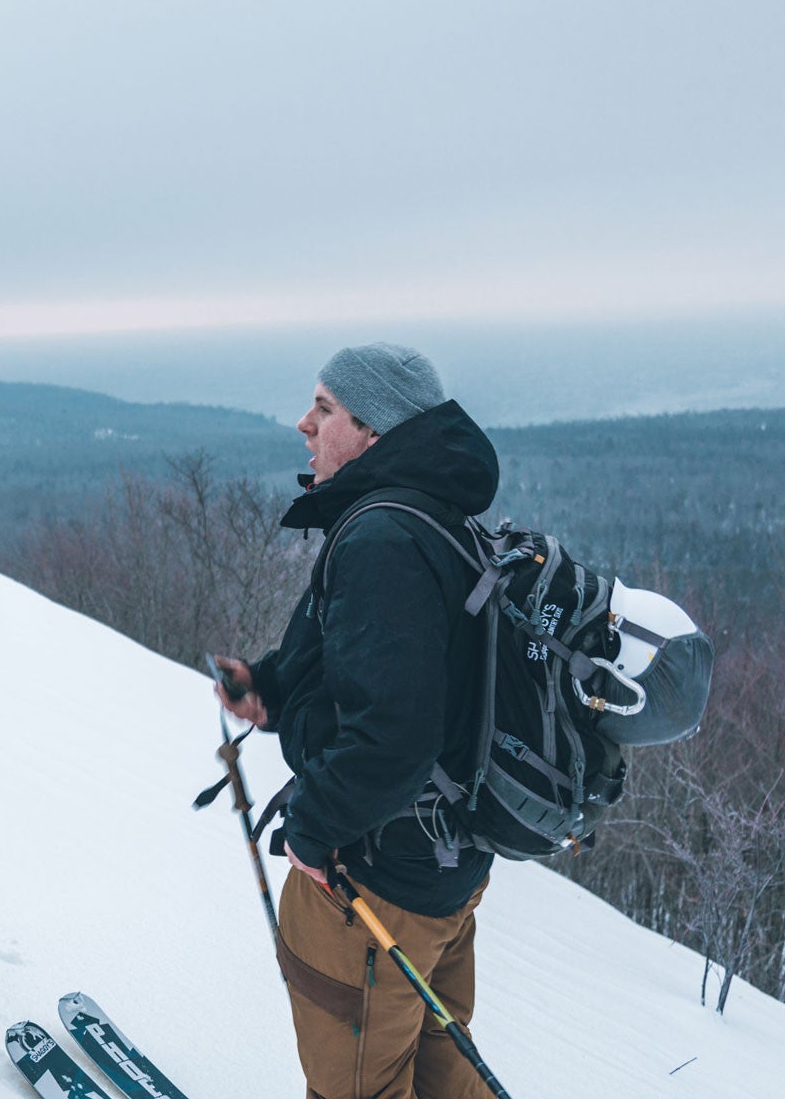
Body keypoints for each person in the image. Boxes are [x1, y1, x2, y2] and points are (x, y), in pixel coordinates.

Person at [215, 343, 501, 1099]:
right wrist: (271, 688)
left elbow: (393, 739)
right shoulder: (428, 517)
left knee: (356, 1089)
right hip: (442, 865)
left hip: (371, 878)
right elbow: (387, 675)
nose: (303, 423)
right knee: (444, 1070)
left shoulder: (381, 539)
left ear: (374, 431)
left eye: (325, 408)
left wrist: (312, 825)